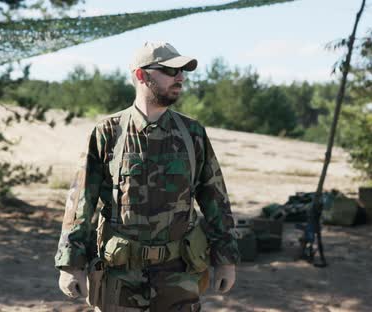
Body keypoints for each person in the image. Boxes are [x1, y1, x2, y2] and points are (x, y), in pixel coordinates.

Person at [55, 41, 240, 312]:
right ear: (142, 75)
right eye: (169, 71)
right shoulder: (108, 132)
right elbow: (81, 201)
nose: (180, 78)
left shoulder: (192, 133)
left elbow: (215, 198)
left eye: (182, 72)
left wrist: (225, 260)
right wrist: (71, 265)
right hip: (119, 276)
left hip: (178, 274)